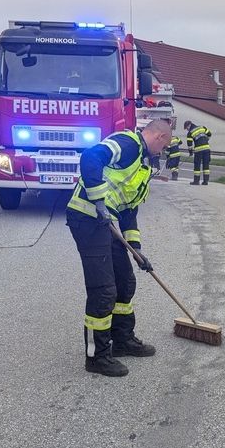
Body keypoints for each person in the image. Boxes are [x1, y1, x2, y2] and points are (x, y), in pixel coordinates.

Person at [66, 119, 173, 377]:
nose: (162, 152)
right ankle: (97, 356)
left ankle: (122, 340)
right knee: (103, 291)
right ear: (159, 136)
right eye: (164, 146)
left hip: (106, 221)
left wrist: (136, 251)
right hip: (87, 218)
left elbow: (128, 213)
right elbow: (91, 156)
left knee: (125, 282)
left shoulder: (141, 167)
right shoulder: (128, 143)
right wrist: (99, 199)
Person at [184, 120, 212, 185]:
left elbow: (190, 145)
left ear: (189, 125)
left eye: (186, 128)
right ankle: (206, 181)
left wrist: (190, 152)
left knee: (197, 166)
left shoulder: (190, 133)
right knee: (206, 165)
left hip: (199, 150)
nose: (187, 130)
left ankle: (196, 181)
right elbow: (209, 134)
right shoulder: (202, 127)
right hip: (207, 149)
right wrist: (205, 140)